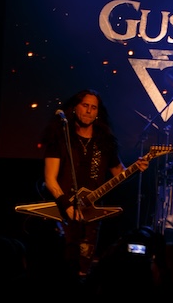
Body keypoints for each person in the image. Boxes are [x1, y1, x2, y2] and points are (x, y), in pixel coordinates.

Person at [41, 88, 148, 277]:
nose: (89, 111)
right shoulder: (60, 137)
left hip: (91, 214)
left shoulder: (105, 141)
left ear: (98, 112)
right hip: (62, 212)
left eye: (93, 107)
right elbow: (50, 179)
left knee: (84, 266)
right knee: (60, 268)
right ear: (75, 108)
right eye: (85, 105)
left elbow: (119, 174)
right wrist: (67, 205)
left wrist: (136, 168)